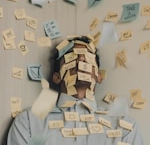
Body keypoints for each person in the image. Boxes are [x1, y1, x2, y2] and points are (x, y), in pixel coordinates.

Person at [7, 35, 144, 145]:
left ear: (98, 76)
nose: (81, 59)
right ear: (57, 77)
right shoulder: (29, 122)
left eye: (88, 57)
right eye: (72, 56)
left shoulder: (125, 127)